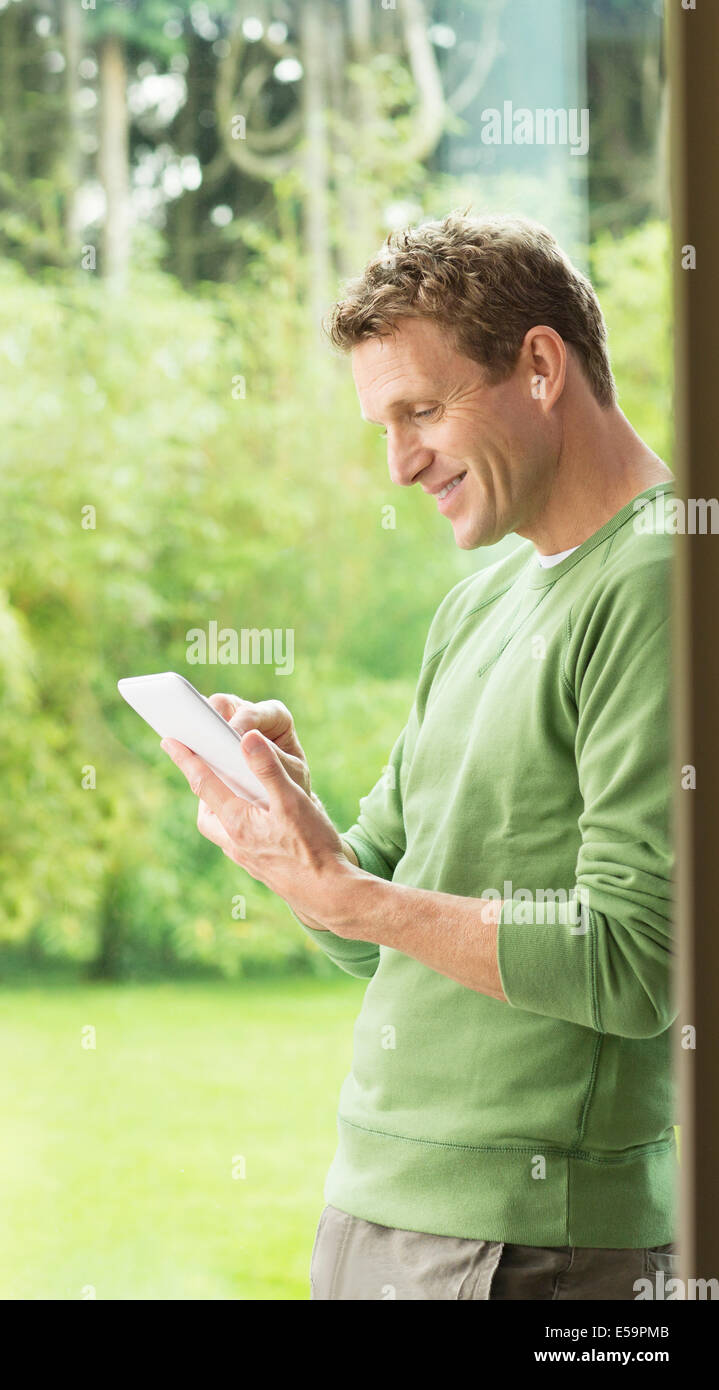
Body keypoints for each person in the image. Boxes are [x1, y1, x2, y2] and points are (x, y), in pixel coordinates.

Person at [161, 212, 678, 1300]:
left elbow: (641, 961)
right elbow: (371, 933)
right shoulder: (478, 600)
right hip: (375, 1207)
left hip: (530, 1239)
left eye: (421, 411)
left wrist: (355, 899)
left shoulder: (661, 583)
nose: (399, 465)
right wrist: (291, 837)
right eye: (379, 426)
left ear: (539, 364)